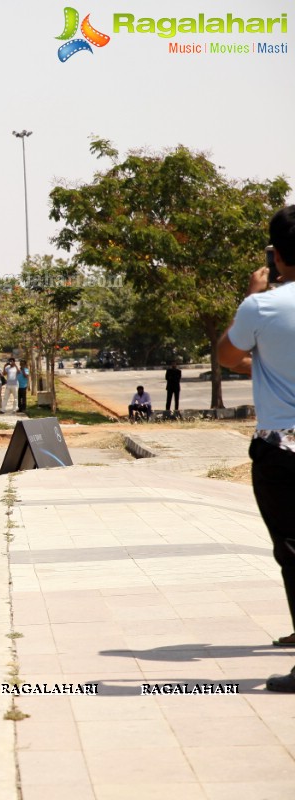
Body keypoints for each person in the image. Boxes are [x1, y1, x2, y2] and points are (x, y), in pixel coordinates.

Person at [218, 205, 295, 692]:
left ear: (277, 253)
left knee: (293, 548)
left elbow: (228, 355)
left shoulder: (262, 306)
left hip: (282, 449)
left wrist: (253, 296)